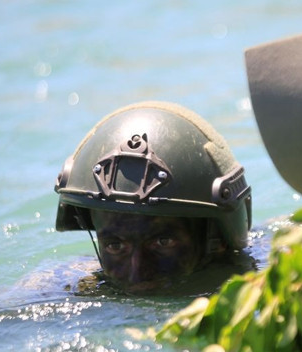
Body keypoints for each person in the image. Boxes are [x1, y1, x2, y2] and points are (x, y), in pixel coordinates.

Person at [54, 101, 253, 294]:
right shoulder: (73, 285)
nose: (137, 274)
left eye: (163, 242)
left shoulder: (259, 287)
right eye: (115, 246)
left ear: (218, 240)